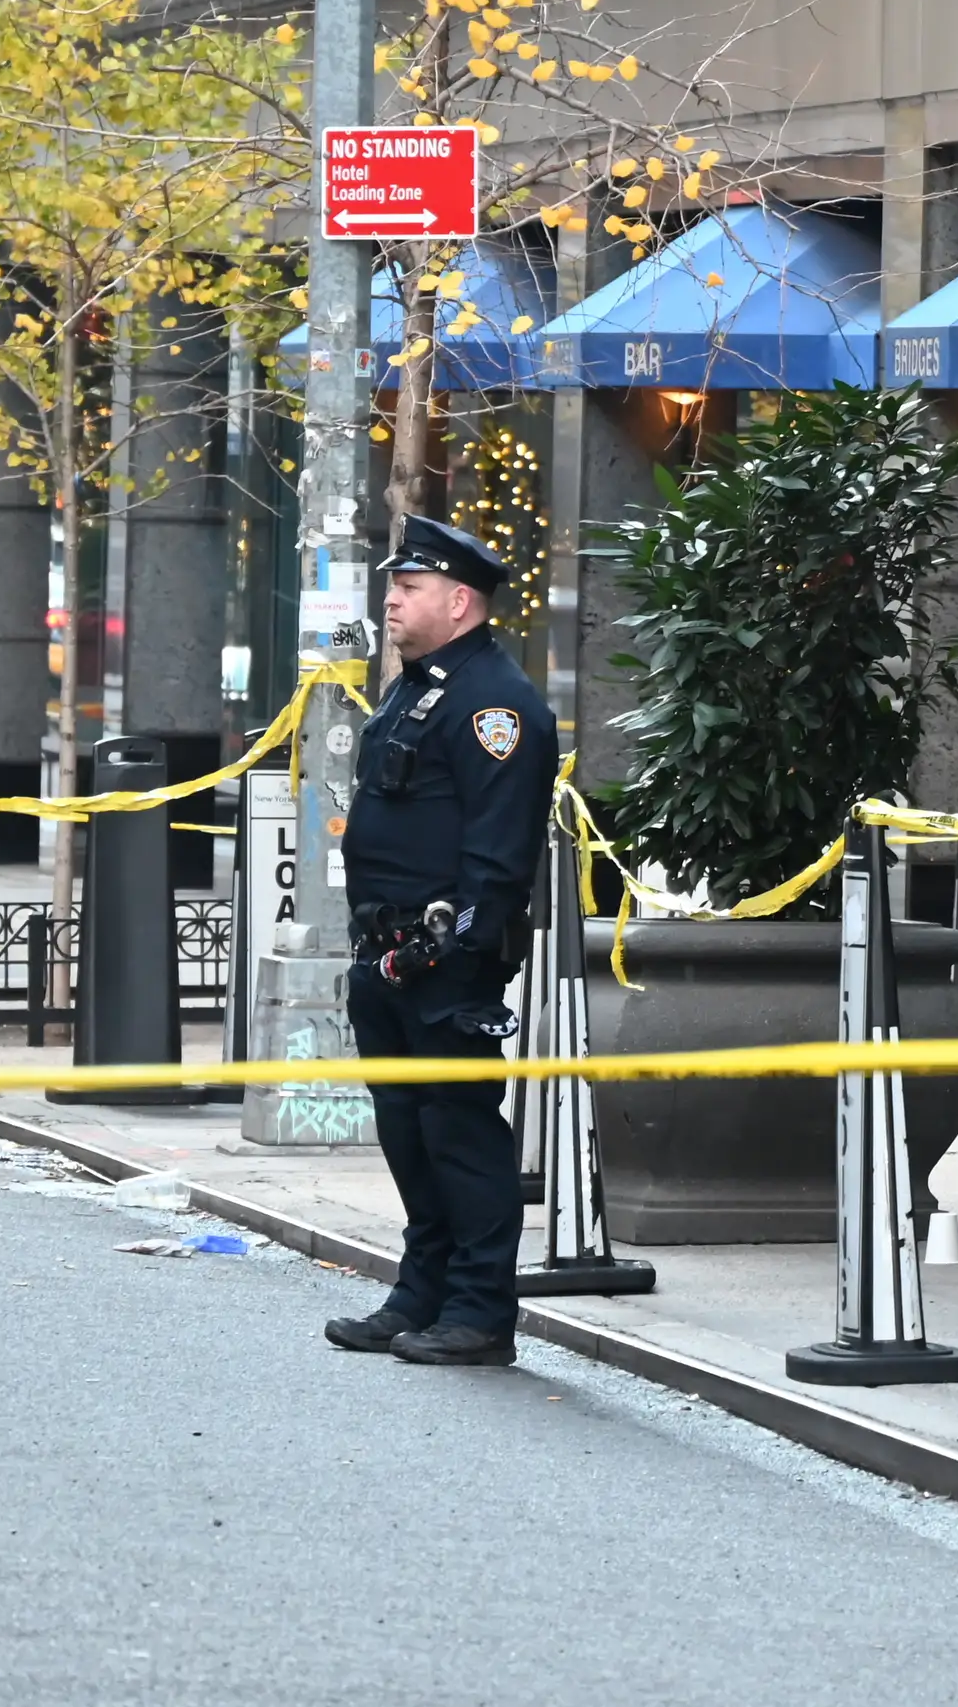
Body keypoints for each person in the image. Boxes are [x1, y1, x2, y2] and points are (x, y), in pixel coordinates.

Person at [319, 514, 557, 1369]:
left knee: (460, 1132)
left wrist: (450, 948)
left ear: (460, 602)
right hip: (386, 954)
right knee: (407, 1133)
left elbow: (497, 853)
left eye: (409, 586)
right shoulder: (417, 686)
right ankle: (423, 1291)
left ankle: (481, 1310)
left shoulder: (495, 703)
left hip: (443, 961)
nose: (392, 597)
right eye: (395, 584)